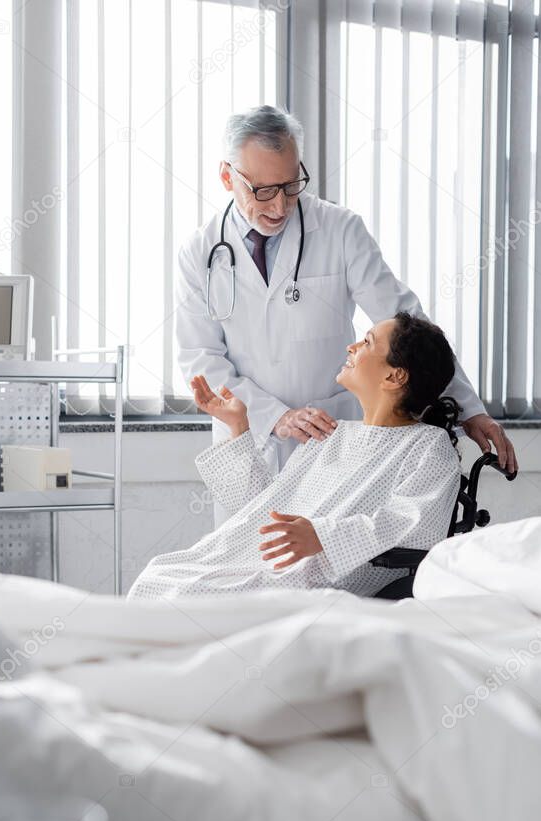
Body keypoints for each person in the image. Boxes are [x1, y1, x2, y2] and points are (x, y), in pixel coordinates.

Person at [175, 105, 517, 526]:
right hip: (249, 441)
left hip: (334, 442)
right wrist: (275, 416)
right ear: (228, 177)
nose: (280, 206)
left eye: (290, 185)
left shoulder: (339, 229)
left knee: (332, 558)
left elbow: (407, 323)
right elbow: (200, 358)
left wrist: (468, 408)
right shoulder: (199, 252)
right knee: (248, 566)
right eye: (263, 191)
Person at [128, 312, 462, 601]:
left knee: (182, 598)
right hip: (261, 561)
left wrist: (324, 536)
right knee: (161, 577)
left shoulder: (427, 446)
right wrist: (238, 426)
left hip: (320, 579)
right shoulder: (331, 434)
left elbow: (419, 528)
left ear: (395, 375)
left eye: (367, 343)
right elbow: (265, 508)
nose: (352, 347)